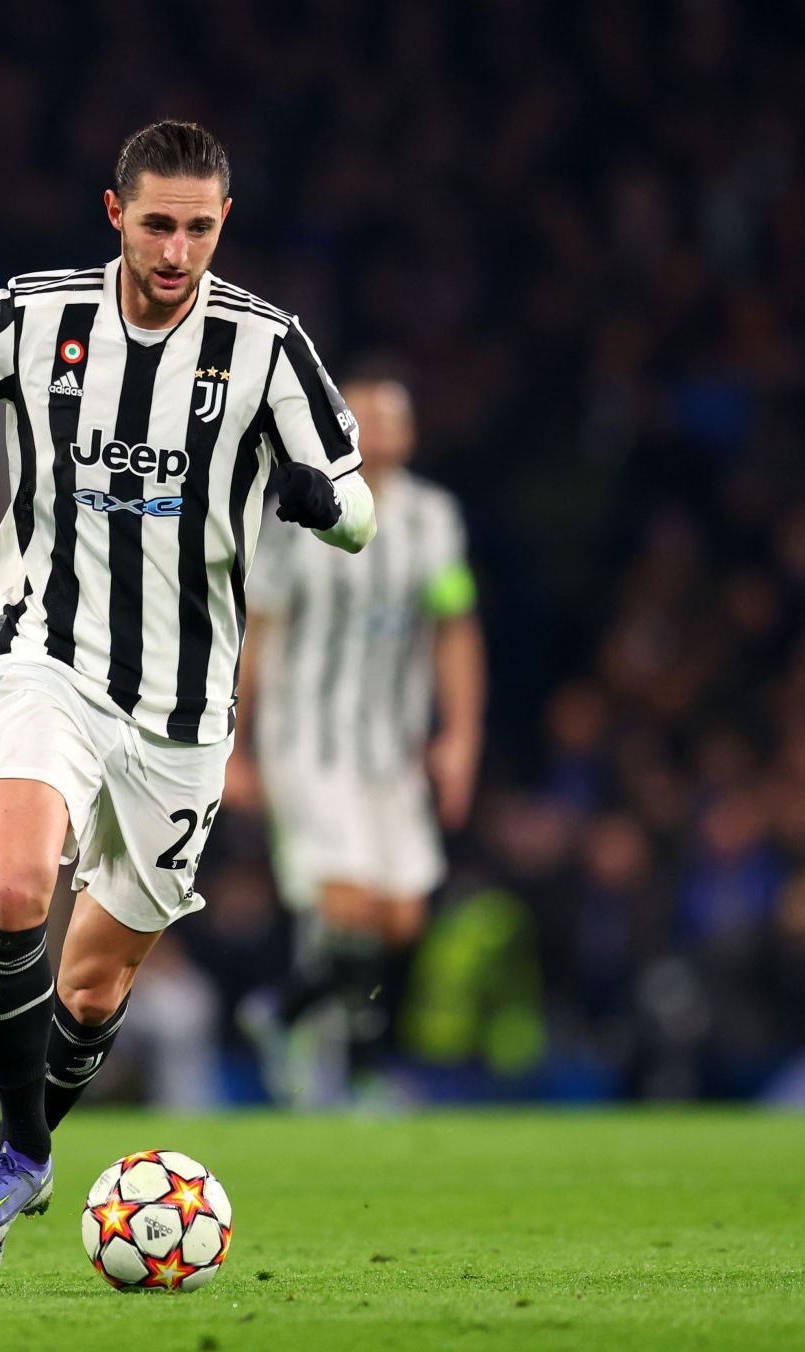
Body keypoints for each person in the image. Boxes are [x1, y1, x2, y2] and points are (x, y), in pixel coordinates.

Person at [0, 119, 376, 1289]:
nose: (177, 248)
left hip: (185, 708)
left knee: (93, 986)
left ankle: (23, 1141)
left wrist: (313, 498)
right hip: (41, 648)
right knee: (11, 879)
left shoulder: (267, 346)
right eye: (157, 223)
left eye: (199, 226)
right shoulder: (39, 314)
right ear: (115, 214)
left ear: (222, 223)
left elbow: (360, 508)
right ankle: (22, 1154)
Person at [229, 377, 486, 1105]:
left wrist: (459, 736)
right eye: (365, 415)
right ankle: (358, 1075)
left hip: (390, 747)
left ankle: (284, 1014)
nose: (380, 428)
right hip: (306, 738)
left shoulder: (433, 518)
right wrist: (234, 744)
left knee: (404, 918)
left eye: (392, 416)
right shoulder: (300, 507)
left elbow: (453, 627)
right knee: (350, 906)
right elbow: (260, 630)